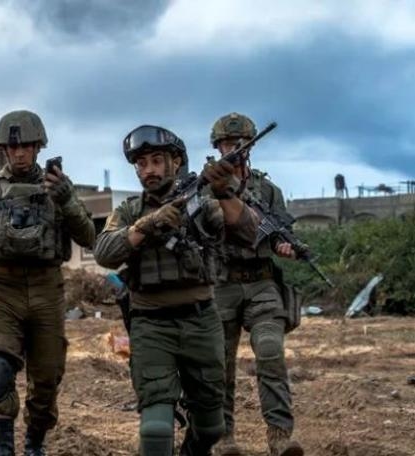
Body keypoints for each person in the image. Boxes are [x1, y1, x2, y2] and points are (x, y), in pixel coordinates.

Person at [93, 124, 258, 456]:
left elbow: (248, 233)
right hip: (151, 325)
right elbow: (105, 252)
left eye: (157, 161)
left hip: (201, 322)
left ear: (176, 162)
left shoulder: (202, 204)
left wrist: (225, 192)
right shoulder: (129, 211)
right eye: (142, 164)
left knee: (211, 427)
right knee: (155, 429)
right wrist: (148, 224)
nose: (149, 170)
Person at [0, 110, 96, 456]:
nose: (19, 153)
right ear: (3, 149)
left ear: (38, 147)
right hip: (1, 288)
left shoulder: (57, 186)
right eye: (12, 147)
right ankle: (2, 446)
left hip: (47, 289)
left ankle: (34, 444)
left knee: (46, 378)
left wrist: (66, 199)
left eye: (26, 146)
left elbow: (89, 236)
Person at [208, 113, 303, 456]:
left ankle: (280, 436)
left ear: (250, 146)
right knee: (219, 364)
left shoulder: (268, 190)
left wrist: (285, 246)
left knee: (270, 351)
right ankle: (222, 437)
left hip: (262, 282)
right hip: (222, 283)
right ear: (217, 147)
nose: (233, 148)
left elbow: (279, 233)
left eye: (240, 143)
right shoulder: (206, 187)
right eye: (226, 144)